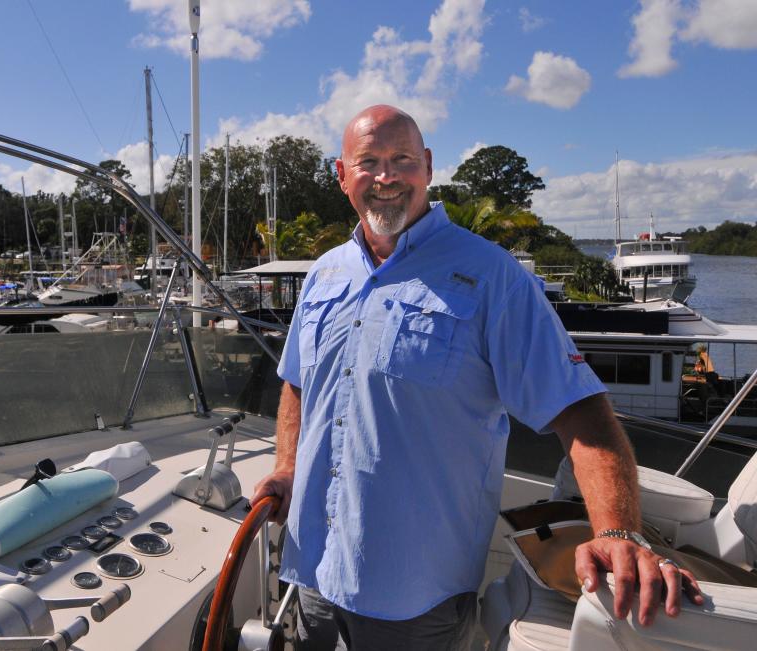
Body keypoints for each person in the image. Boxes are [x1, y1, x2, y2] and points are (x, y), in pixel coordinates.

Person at [250, 105, 703, 650]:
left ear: (429, 167)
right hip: (313, 570)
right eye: (368, 162)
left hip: (416, 594)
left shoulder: (492, 277)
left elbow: (583, 414)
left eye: (402, 160)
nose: (387, 177)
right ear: (342, 175)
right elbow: (298, 382)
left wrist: (617, 533)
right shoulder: (324, 274)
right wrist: (286, 467)